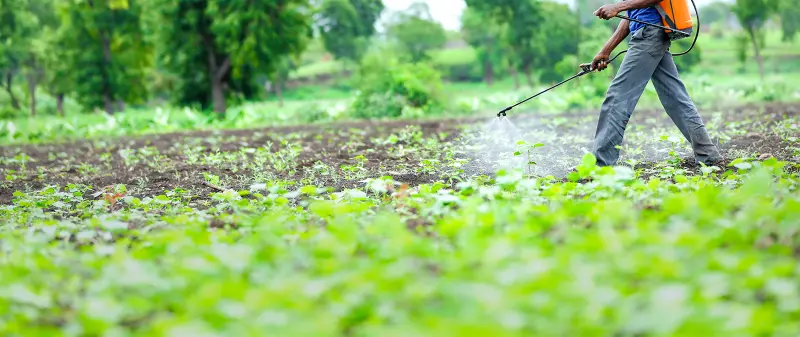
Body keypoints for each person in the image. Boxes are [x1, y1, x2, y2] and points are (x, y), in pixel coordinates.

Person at [585, 0, 722, 167]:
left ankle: (601, 165)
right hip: (651, 33)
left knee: (617, 97)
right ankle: (708, 155)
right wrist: (605, 50)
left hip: (649, 34)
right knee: (675, 100)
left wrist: (617, 7)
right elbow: (632, 14)